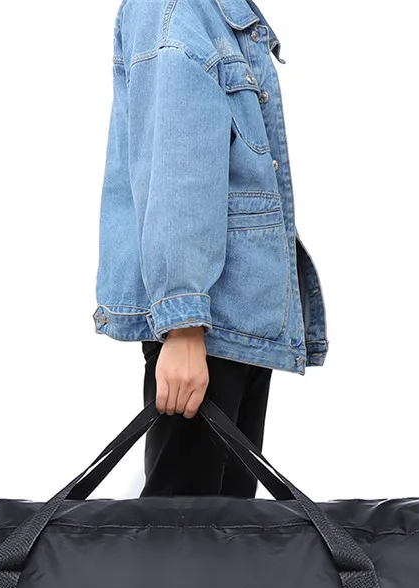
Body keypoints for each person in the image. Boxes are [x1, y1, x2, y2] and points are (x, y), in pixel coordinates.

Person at [93, 0, 326, 497]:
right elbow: (178, 169)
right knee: (183, 528)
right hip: (203, 327)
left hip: (237, 319)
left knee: (225, 529)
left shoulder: (217, 13)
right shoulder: (176, 9)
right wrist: (182, 326)